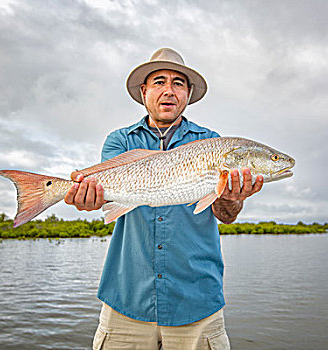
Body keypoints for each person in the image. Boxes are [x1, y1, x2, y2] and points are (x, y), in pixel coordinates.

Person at [64, 48, 264, 349]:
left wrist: (233, 197)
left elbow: (226, 214)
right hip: (126, 297)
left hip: (197, 300)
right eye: (159, 82)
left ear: (188, 93)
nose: (168, 91)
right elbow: (108, 198)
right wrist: (90, 198)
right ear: (144, 91)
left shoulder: (212, 142)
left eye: (178, 83)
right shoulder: (120, 140)